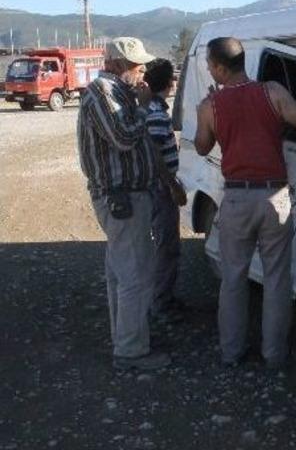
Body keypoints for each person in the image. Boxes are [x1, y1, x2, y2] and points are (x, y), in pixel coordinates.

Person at [194, 37, 296, 369]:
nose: (207, 69)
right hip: (275, 198)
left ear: (218, 67)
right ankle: (274, 355)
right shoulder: (272, 92)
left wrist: (205, 115)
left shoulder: (210, 106)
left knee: (233, 278)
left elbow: (202, 148)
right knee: (277, 279)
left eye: (208, 64)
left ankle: (231, 354)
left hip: (236, 198)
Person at [77, 37, 170, 370]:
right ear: (116, 65)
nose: (141, 70)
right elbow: (124, 137)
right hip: (122, 197)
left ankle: (129, 337)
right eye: (135, 65)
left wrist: (137, 99)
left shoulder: (118, 91)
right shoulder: (103, 92)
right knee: (134, 275)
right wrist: (143, 106)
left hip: (127, 196)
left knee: (122, 272)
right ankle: (131, 350)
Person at [143, 58, 187, 324]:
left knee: (163, 244)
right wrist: (174, 185)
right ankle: (161, 303)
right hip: (162, 189)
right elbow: (157, 156)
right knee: (167, 246)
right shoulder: (158, 115)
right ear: (170, 83)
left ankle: (161, 299)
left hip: (157, 188)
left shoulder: (151, 109)